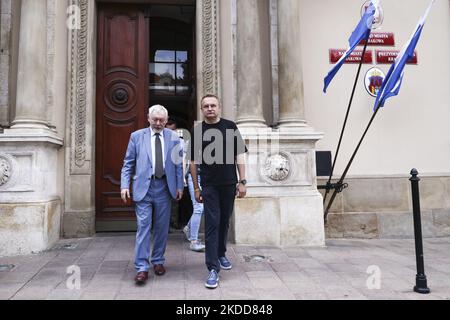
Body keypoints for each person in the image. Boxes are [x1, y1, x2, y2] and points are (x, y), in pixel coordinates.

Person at [189, 94, 248, 289]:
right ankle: (212, 268)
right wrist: (196, 187)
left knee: (224, 221)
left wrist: (243, 181)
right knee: (212, 224)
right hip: (209, 185)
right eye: (206, 106)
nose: (210, 108)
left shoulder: (230, 126)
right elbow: (193, 162)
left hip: (229, 183)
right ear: (202, 109)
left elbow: (239, 154)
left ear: (219, 107)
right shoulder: (198, 132)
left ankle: (221, 253)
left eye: (213, 105)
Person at [121, 105, 184, 285]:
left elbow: (178, 165)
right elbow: (128, 163)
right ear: (148, 118)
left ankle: (158, 261)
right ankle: (141, 267)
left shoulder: (173, 137)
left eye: (161, 120)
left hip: (164, 187)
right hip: (143, 189)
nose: (158, 123)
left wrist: (180, 185)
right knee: (143, 227)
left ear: (166, 120)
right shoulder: (136, 137)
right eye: (155, 119)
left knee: (162, 229)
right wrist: (125, 185)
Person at [166, 119, 206, 252]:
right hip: (194, 176)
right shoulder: (188, 143)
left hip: (207, 178)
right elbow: (183, 161)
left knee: (202, 207)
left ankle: (188, 228)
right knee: (199, 207)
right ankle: (194, 240)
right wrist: (182, 179)